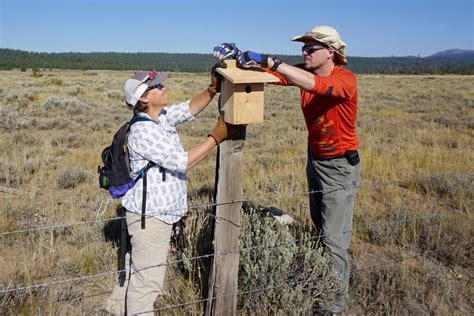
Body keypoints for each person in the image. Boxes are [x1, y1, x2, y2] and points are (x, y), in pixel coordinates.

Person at [214, 25, 361, 314]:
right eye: (303, 47)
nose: (304, 52)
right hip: (316, 157)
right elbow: (275, 76)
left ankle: (332, 304)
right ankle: (324, 281)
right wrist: (241, 59)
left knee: (334, 237)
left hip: (340, 164)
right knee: (321, 226)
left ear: (330, 52)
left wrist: (271, 60)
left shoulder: (345, 79)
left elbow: (314, 85)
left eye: (311, 48)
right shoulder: (304, 73)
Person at [105, 64, 234, 315]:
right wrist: (215, 137)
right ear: (143, 98)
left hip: (148, 215)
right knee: (147, 283)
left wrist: (211, 90)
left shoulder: (159, 117)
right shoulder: (143, 131)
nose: (165, 88)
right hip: (150, 218)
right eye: (157, 87)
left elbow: (186, 110)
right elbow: (181, 162)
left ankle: (115, 310)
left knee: (133, 273)